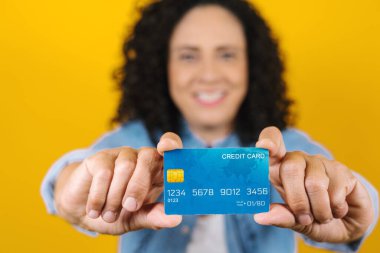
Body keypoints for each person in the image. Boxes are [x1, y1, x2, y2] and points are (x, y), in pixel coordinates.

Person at [41, 0, 378, 252]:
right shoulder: (136, 141)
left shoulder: (288, 149)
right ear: (163, 67)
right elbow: (76, 172)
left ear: (252, 65)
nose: (209, 73)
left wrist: (356, 207)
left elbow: (346, 185)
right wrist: (70, 193)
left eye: (227, 54)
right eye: (189, 55)